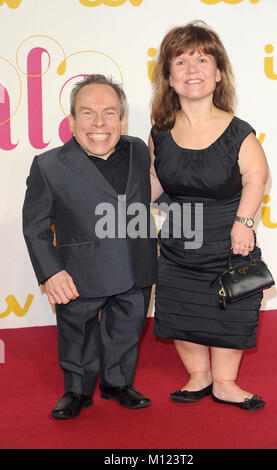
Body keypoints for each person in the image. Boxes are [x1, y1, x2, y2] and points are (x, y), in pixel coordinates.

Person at [149, 21, 269, 411]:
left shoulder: (239, 131)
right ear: (169, 76)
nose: (192, 69)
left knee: (230, 314)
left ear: (218, 73)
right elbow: (152, 182)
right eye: (180, 61)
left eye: (202, 59)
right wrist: (127, 216)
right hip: (179, 242)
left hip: (229, 239)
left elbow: (256, 177)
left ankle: (226, 383)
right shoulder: (160, 132)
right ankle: (199, 377)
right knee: (181, 310)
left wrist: (244, 222)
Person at [23, 74, 157, 419]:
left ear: (123, 120)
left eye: (110, 113)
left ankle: (117, 383)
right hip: (78, 273)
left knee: (127, 331)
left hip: (136, 267)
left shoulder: (139, 151)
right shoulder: (49, 165)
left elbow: (151, 195)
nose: (99, 123)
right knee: (77, 335)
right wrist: (50, 272)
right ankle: (78, 390)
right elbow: (35, 226)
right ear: (71, 120)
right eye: (87, 113)